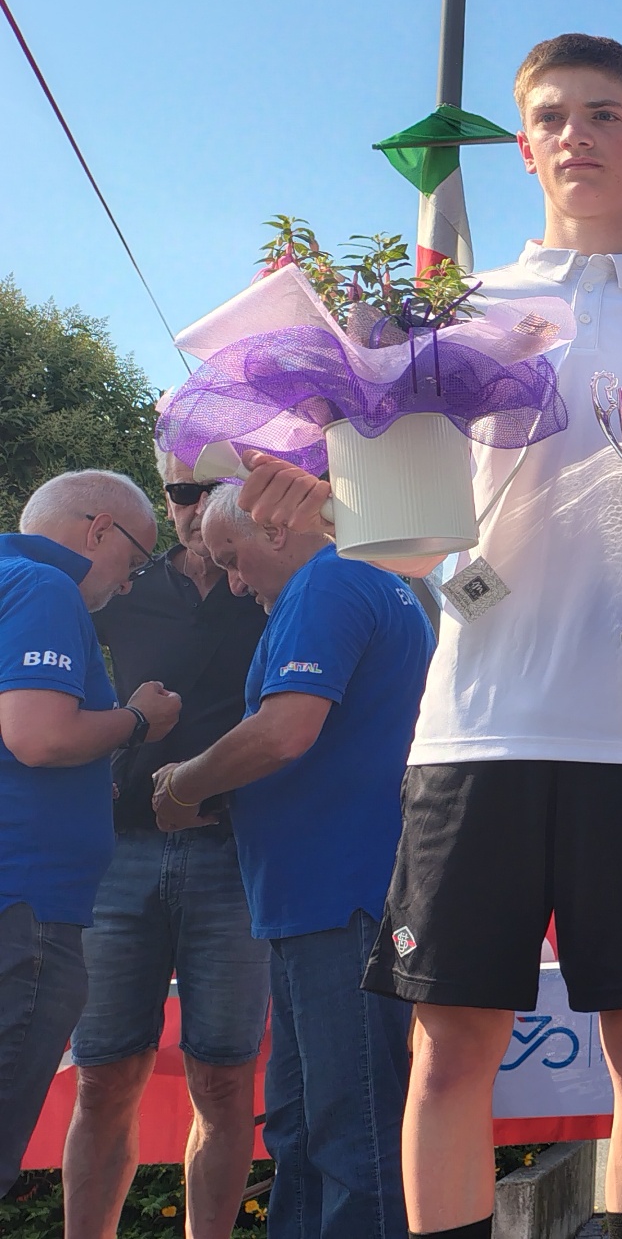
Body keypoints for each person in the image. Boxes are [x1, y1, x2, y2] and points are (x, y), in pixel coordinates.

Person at [242, 32, 622, 1239]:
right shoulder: (454, 313)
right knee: (450, 1054)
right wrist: (327, 501)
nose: (575, 135)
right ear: (525, 148)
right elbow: (410, 530)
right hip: (476, 732)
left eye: (602, 114)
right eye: (550, 116)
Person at [152, 486, 432, 1238]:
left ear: (275, 528)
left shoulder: (329, 581)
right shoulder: (367, 580)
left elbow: (284, 731)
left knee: (349, 1133)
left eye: (232, 559)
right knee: (306, 1131)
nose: (233, 582)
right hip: (324, 893)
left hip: (337, 893)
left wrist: (182, 784)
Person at [63, 451, 269, 1239]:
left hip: (236, 852)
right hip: (119, 852)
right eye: (181, 490)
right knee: (103, 1079)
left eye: (213, 490)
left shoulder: (274, 585)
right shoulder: (126, 585)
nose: (194, 506)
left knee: (223, 1085)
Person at [0, 471, 182, 1192]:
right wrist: (138, 719)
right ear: (99, 528)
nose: (130, 583)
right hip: (27, 906)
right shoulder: (45, 588)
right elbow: (39, 737)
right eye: (133, 560)